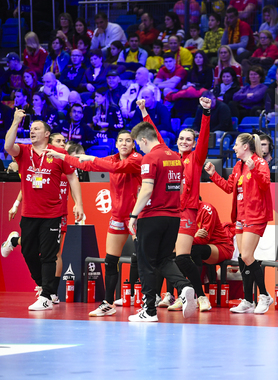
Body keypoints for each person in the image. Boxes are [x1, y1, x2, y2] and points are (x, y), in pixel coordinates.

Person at [45, 129, 142, 317]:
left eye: (128, 141)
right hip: (117, 217)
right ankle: (108, 303)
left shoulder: (136, 159)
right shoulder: (112, 159)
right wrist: (61, 156)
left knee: (143, 259)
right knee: (110, 261)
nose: (124, 143)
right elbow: (86, 166)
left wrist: (91, 158)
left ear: (133, 144)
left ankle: (145, 299)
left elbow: (113, 168)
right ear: (116, 144)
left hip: (135, 217)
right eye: (120, 140)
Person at [3, 109, 83, 310]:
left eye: (36, 129)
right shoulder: (23, 152)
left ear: (46, 134)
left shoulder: (58, 154)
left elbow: (73, 177)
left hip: (52, 214)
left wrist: (78, 203)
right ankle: (43, 286)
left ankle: (47, 295)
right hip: (29, 213)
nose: (32, 131)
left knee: (49, 254)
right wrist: (15, 122)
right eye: (30, 129)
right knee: (29, 252)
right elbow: (7, 146)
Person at [127, 106, 197, 322]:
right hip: (173, 217)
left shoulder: (150, 158)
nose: (139, 147)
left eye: (138, 143)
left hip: (152, 217)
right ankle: (184, 286)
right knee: (164, 259)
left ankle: (148, 311)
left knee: (146, 263)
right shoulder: (175, 157)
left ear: (144, 140)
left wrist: (133, 216)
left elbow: (147, 189)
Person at [204, 132, 274, 314]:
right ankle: (249, 300)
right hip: (241, 217)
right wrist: (213, 175)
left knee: (247, 257)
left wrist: (255, 170)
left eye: (236, 145)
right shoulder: (238, 166)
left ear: (245, 147)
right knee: (243, 259)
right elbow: (229, 188)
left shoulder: (260, 163)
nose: (233, 148)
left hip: (256, 216)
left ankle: (265, 295)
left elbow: (266, 184)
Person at [164, 96, 213, 312]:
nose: (184, 141)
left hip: (187, 212)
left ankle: (202, 296)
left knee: (182, 257)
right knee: (169, 257)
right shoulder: (172, 158)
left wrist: (205, 113)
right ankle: (179, 296)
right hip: (170, 213)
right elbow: (155, 138)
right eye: (182, 138)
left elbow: (203, 138)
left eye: (188, 139)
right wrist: (145, 113)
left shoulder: (196, 158)